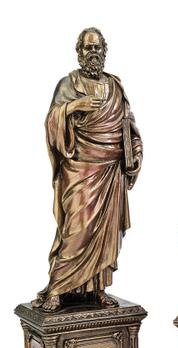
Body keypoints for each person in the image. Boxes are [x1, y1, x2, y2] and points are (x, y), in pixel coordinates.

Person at [32, 27, 143, 312]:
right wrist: (73, 107)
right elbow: (52, 122)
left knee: (106, 233)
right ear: (79, 52)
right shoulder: (68, 84)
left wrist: (136, 153)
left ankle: (97, 289)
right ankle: (58, 288)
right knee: (77, 229)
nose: (93, 53)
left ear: (104, 51)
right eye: (88, 48)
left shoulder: (115, 87)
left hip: (111, 171)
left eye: (97, 48)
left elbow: (128, 126)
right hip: (80, 169)